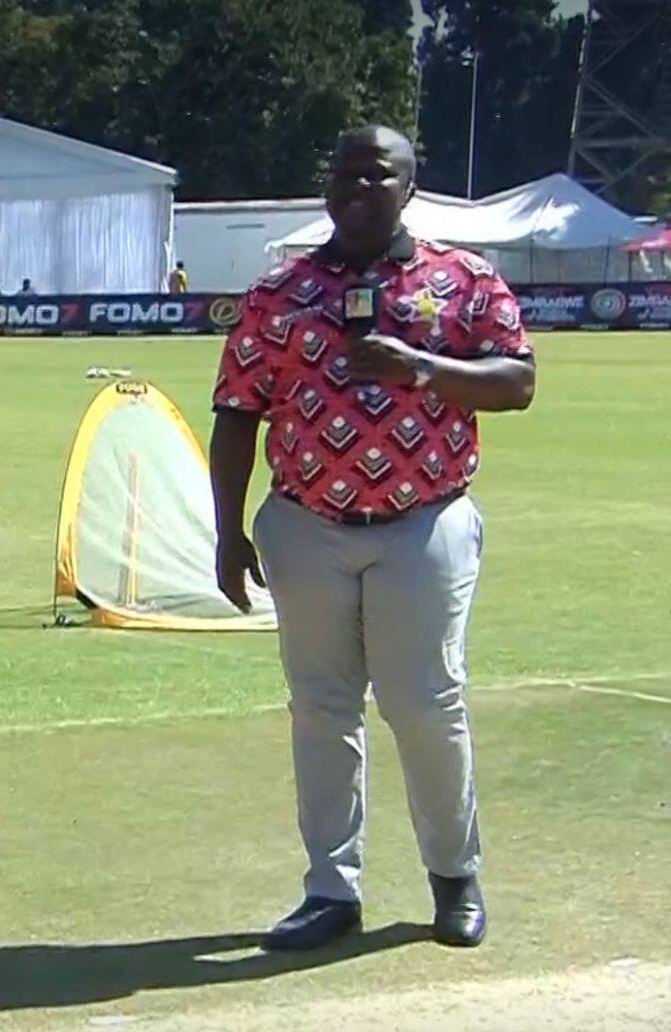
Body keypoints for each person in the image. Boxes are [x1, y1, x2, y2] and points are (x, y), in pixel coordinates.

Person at [208, 125, 536, 954]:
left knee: (425, 705)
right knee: (321, 710)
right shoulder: (279, 292)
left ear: (410, 188)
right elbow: (236, 412)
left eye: (377, 175)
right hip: (307, 527)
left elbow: (517, 381)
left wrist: (423, 369)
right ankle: (330, 889)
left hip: (422, 525)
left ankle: (454, 879)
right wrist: (226, 534)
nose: (357, 188)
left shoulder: (462, 281)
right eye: (343, 175)